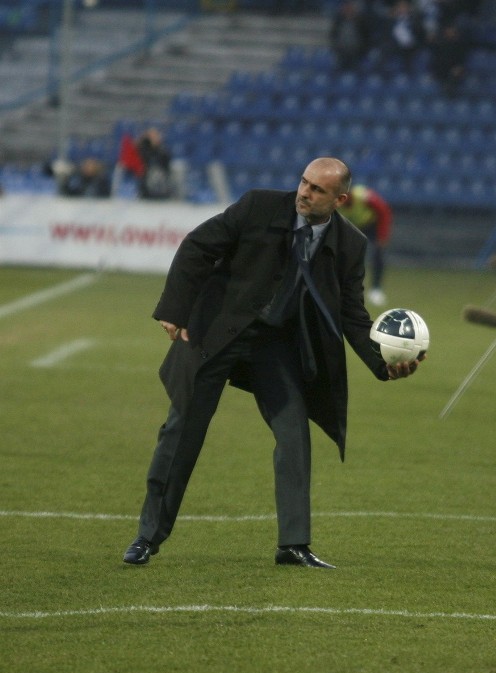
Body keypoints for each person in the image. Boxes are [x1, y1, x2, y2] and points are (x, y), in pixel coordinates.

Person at [122, 158, 423, 569]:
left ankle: (293, 545)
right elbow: (197, 245)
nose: (305, 192)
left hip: (274, 346)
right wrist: (176, 308)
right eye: (304, 182)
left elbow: (351, 314)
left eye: (318, 190)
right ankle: (147, 537)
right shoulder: (258, 207)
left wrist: (382, 363)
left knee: (294, 434)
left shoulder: (350, 245)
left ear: (340, 200)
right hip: (218, 332)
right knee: (182, 431)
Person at [337, 182, 393, 306]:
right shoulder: (335, 203)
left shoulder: (363, 196)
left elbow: (383, 211)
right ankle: (345, 289)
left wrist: (382, 236)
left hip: (372, 225)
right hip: (354, 227)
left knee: (378, 255)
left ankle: (376, 289)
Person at [329, 0, 371, 72]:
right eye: (346, 8)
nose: (348, 10)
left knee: (356, 70)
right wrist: (336, 47)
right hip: (341, 52)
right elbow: (333, 35)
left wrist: (362, 49)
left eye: (350, 8)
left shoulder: (361, 21)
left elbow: (366, 36)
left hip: (356, 52)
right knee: (338, 70)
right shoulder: (338, 21)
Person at [136, 127, 173, 200]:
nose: (154, 138)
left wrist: (156, 147)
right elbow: (141, 159)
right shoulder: (143, 148)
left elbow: (166, 162)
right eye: (151, 136)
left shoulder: (162, 150)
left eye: (155, 136)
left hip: (161, 178)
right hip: (146, 178)